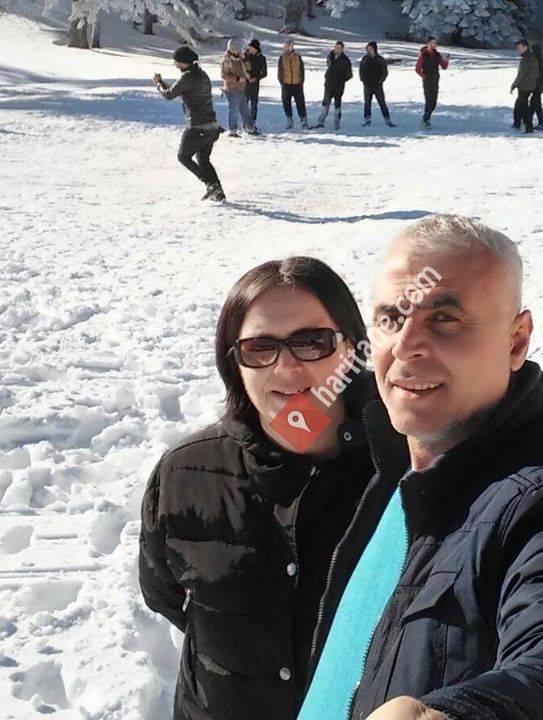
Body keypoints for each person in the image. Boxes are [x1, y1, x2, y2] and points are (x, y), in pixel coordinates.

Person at [299, 215, 543, 720]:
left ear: (516, 341)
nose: (405, 345)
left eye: (445, 318)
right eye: (391, 318)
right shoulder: (400, 454)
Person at [139, 257, 379, 720]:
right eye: (259, 348)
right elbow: (166, 594)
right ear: (234, 362)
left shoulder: (404, 465)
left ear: (351, 349)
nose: (286, 367)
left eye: (311, 342)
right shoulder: (185, 474)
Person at [153, 45, 225, 202]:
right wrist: (163, 83)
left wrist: (158, 83)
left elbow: (168, 94)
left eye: (176, 62)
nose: (175, 65)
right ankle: (218, 191)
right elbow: (177, 91)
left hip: (197, 126)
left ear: (184, 62)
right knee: (203, 159)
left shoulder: (187, 77)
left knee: (183, 156)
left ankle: (210, 185)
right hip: (212, 126)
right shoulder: (201, 74)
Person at [221, 38, 258, 137]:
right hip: (232, 88)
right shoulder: (227, 60)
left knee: (245, 109)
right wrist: (237, 79)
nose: (240, 51)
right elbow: (224, 75)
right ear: (233, 48)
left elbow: (248, 68)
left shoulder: (241, 59)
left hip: (242, 88)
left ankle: (249, 128)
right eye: (238, 49)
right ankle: (232, 130)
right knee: (234, 109)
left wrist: (245, 59)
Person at [312, 41, 353, 130]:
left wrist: (340, 80)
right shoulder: (330, 56)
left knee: (337, 105)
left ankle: (336, 124)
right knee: (325, 104)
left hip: (338, 87)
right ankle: (320, 122)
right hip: (328, 85)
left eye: (338, 48)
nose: (336, 49)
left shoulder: (345, 60)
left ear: (342, 49)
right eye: (335, 47)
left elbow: (349, 75)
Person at [359, 41, 395, 127]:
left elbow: (385, 71)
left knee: (382, 102)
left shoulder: (380, 59)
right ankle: (367, 120)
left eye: (370, 48)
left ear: (375, 49)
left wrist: (380, 81)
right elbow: (361, 70)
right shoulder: (365, 59)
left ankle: (387, 119)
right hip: (367, 85)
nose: (369, 50)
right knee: (367, 103)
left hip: (377, 85)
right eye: (368, 49)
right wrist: (363, 79)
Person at [415, 37, 449, 128]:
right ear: (428, 44)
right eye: (433, 43)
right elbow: (417, 69)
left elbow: (444, 66)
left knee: (433, 102)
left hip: (435, 80)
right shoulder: (423, 55)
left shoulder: (437, 55)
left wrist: (446, 60)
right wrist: (424, 77)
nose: (435, 45)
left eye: (436, 43)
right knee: (428, 100)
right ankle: (426, 119)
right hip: (427, 81)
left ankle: (426, 117)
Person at [511, 38, 539, 134]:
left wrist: (514, 84)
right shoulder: (529, 57)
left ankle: (528, 126)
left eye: (519, 47)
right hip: (527, 85)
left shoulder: (527, 59)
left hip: (525, 86)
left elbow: (522, 74)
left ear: (525, 47)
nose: (518, 49)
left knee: (523, 106)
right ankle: (518, 124)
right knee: (520, 105)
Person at [278, 40, 308, 130]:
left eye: (287, 46)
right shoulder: (282, 58)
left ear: (291, 47)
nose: (285, 48)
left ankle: (303, 121)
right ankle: (289, 121)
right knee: (286, 103)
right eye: (285, 46)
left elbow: (302, 69)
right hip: (286, 84)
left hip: (297, 84)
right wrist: (282, 82)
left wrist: (301, 81)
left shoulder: (298, 57)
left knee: (300, 103)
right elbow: (280, 71)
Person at [244, 38, 268, 127]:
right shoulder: (245, 56)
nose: (249, 48)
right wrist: (245, 74)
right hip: (245, 83)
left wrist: (256, 78)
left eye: (251, 47)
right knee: (244, 103)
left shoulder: (261, 58)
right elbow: (240, 67)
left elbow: (264, 73)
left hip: (254, 85)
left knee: (253, 104)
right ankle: (245, 122)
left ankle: (252, 123)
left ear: (255, 48)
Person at [530, 42, 543, 131]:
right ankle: (537, 122)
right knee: (535, 105)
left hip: (536, 86)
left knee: (534, 105)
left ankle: (532, 122)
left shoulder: (535, 62)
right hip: (539, 87)